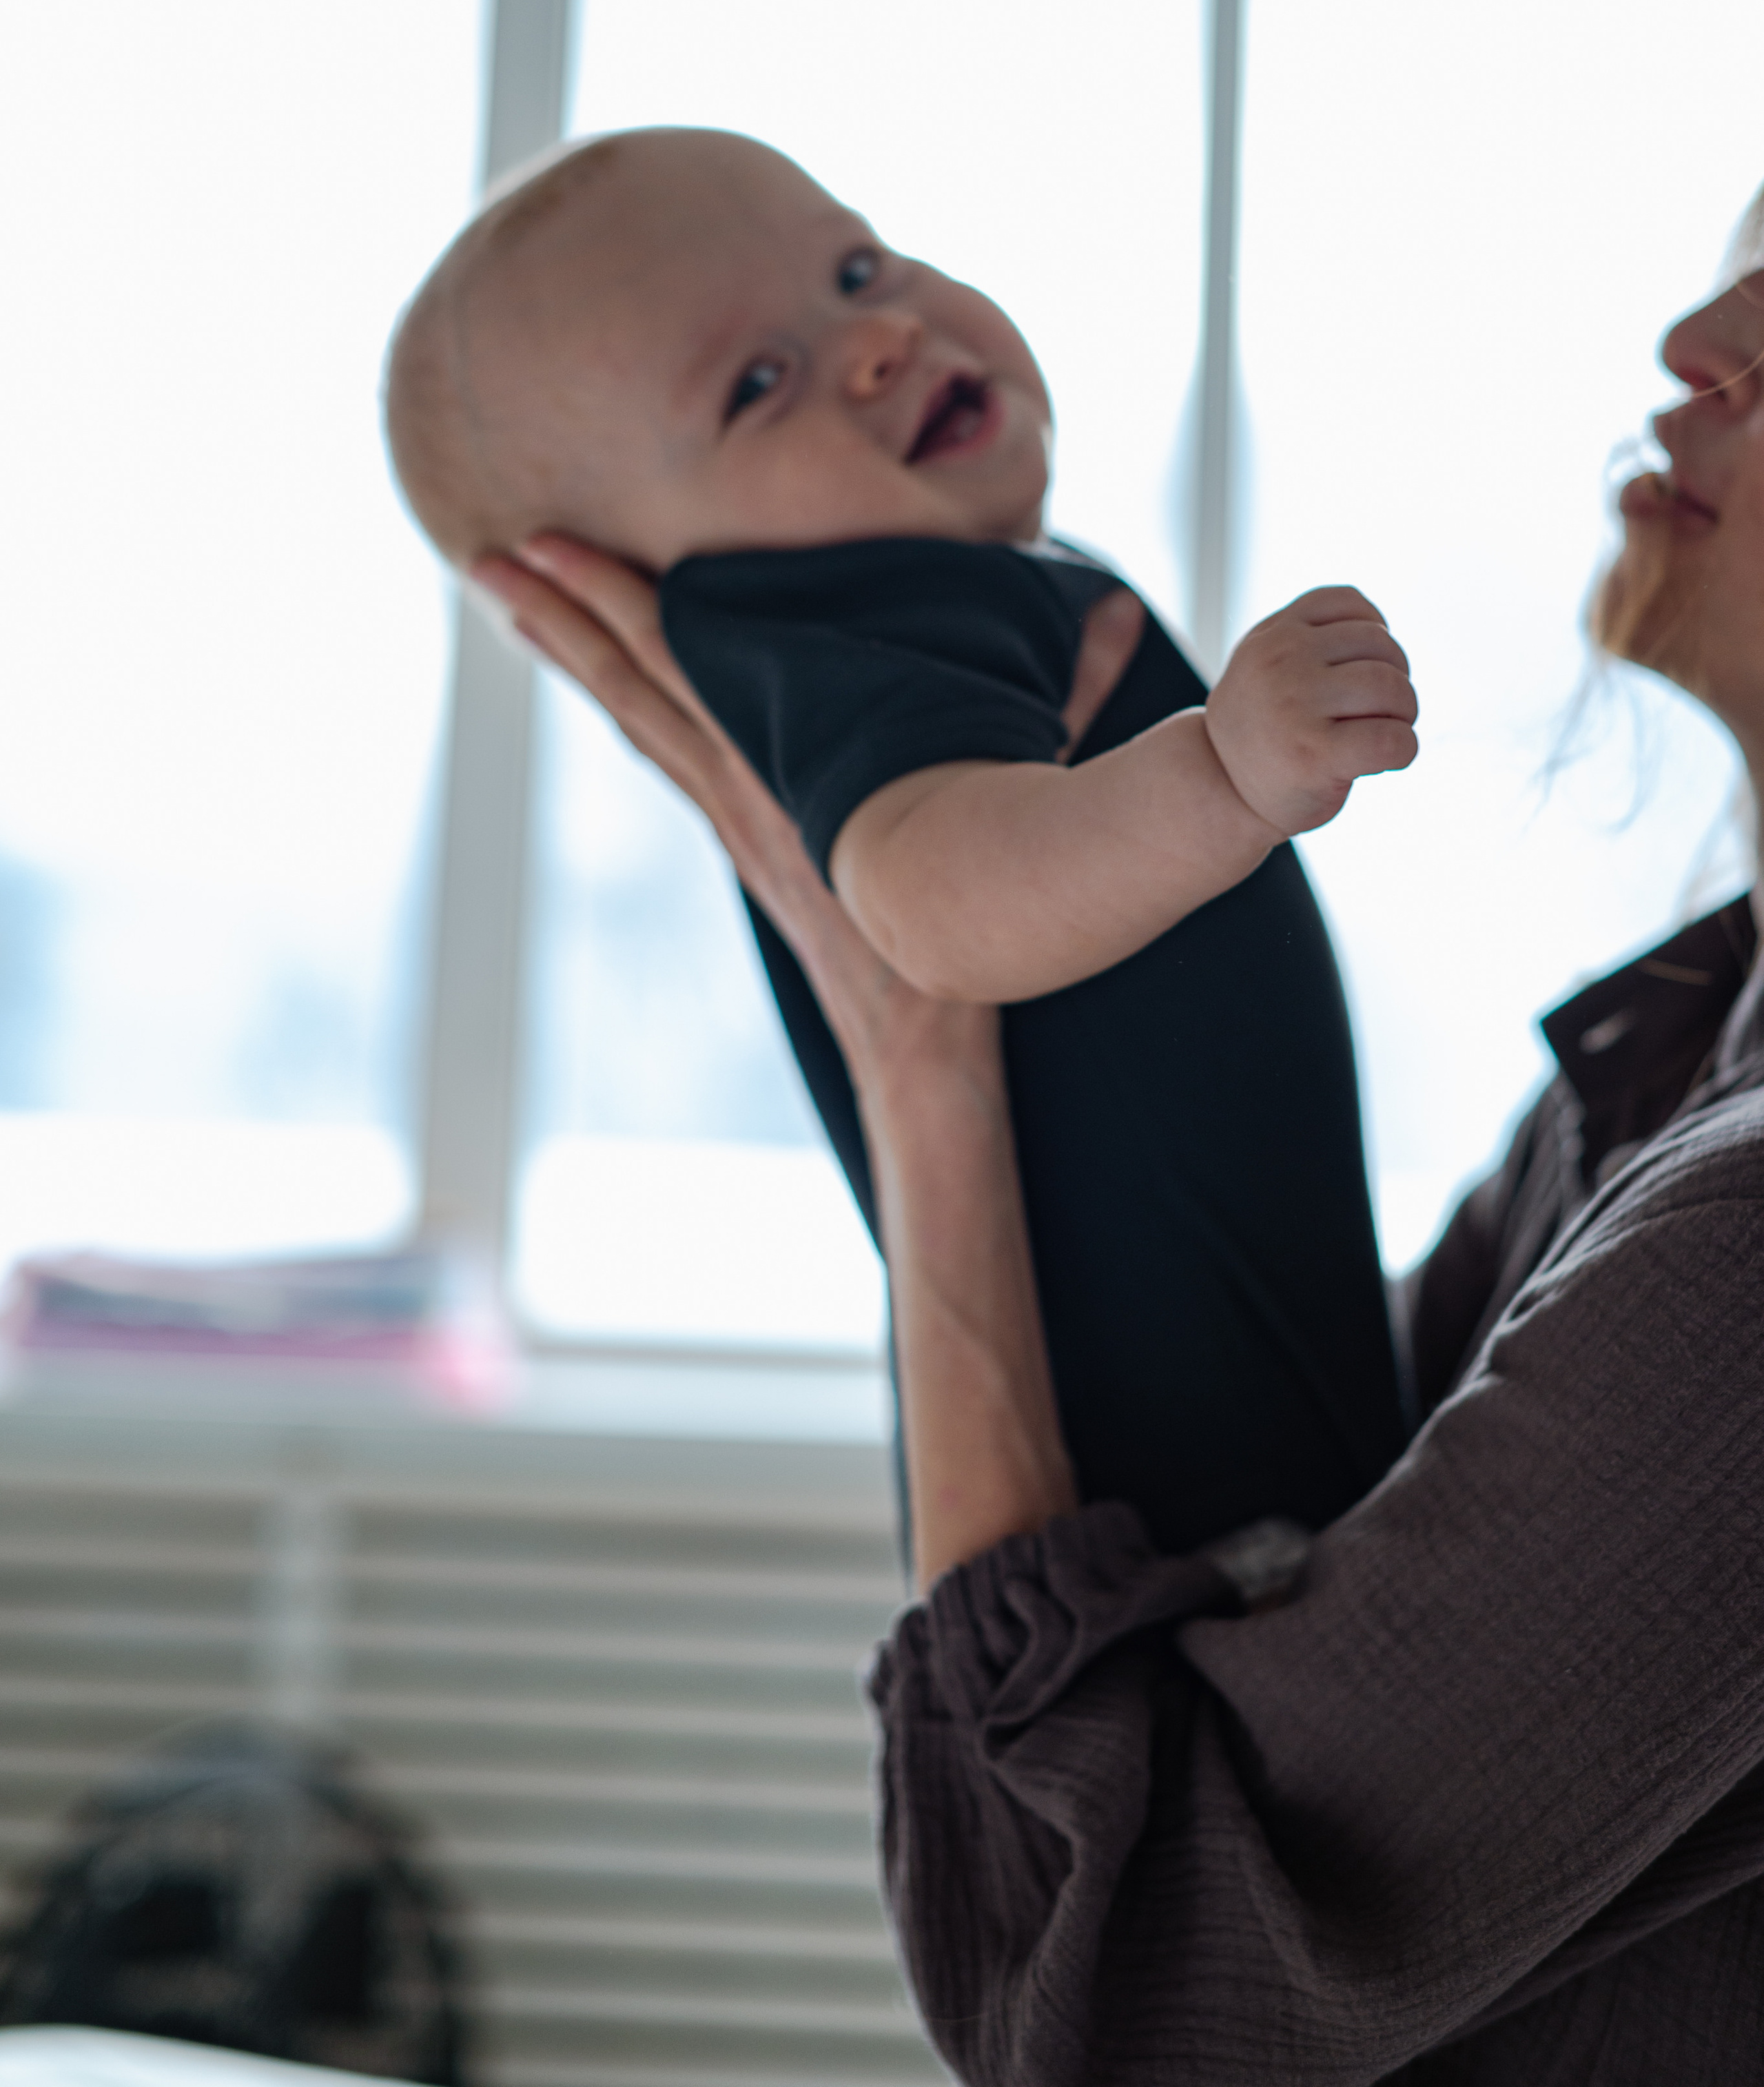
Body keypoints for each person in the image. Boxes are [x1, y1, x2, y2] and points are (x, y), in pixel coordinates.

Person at [477, 198, 1764, 2079]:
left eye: (865, 271)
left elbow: (1099, 2000)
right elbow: (1367, 1493)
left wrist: (933, 1099)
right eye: (755, 380)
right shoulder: (1675, 1049)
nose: (1694, 342)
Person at [385, 125, 1417, 1552]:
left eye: (853, 266)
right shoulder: (834, 631)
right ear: (661, 593)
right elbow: (935, 904)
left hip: (1273, 1458)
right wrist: (1215, 775)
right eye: (757, 384)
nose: (873, 337)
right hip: (1194, 1541)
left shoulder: (962, 591)